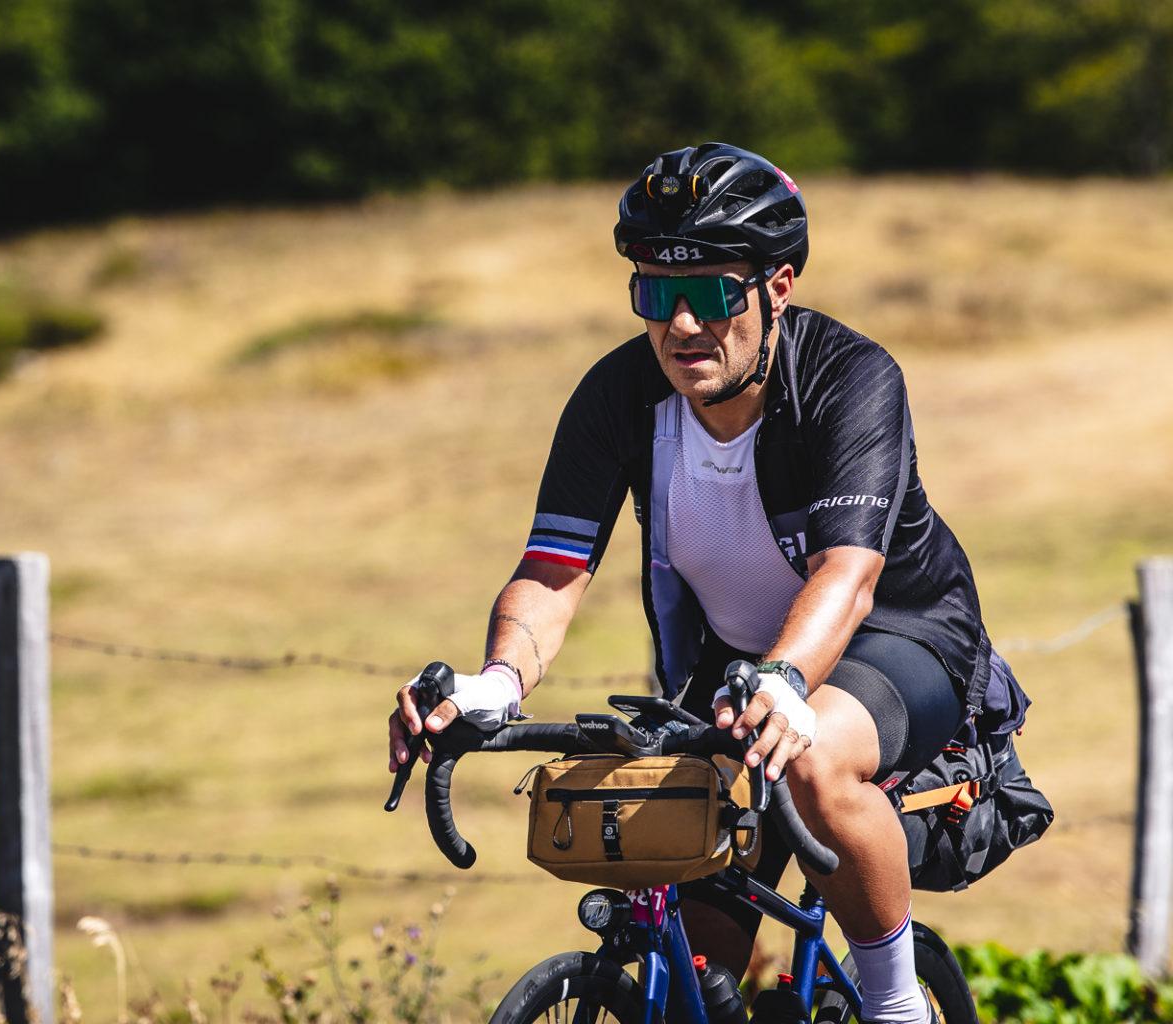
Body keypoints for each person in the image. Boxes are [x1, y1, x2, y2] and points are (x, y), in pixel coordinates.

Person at [386, 142, 1006, 1024]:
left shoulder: (850, 378)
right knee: (689, 947)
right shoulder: (618, 394)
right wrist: (496, 683)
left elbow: (848, 571)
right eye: (654, 294)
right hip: (740, 660)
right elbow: (554, 569)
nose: (681, 325)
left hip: (898, 638)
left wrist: (787, 681)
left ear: (777, 287)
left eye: (712, 294)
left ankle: (896, 1005)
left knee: (815, 761)